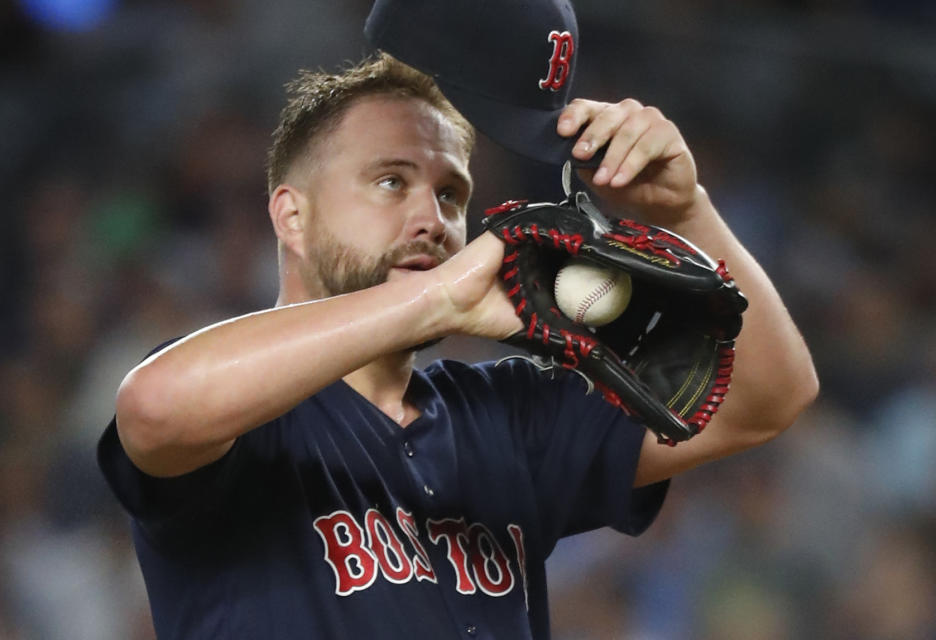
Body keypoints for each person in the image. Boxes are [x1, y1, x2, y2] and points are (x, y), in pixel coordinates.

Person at [98, 35, 818, 640]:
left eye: (451, 194)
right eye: (390, 181)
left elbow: (769, 397)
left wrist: (686, 212)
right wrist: (436, 298)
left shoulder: (505, 412)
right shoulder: (240, 401)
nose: (431, 219)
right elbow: (157, 405)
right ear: (291, 216)